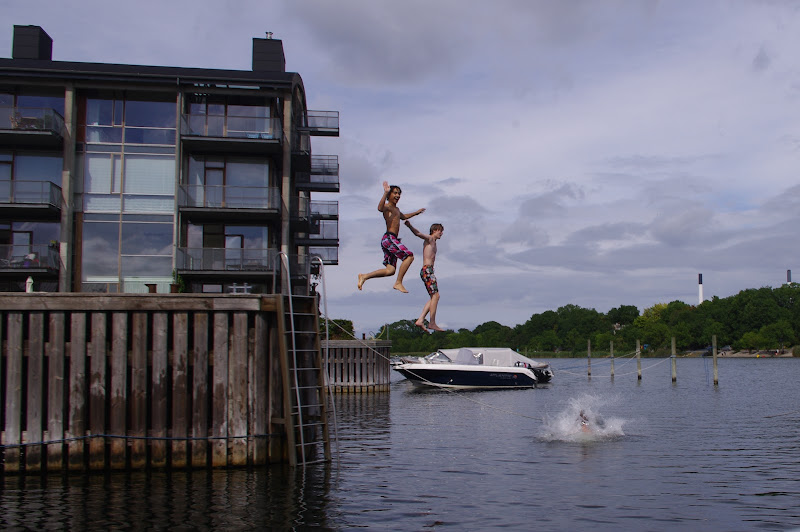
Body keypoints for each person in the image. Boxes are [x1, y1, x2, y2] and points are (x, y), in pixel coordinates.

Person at [358, 182, 425, 293]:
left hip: (391, 239)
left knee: (390, 270)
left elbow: (404, 217)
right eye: (395, 193)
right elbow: (380, 208)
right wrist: (385, 193)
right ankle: (398, 282)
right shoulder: (388, 206)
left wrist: (416, 213)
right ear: (389, 195)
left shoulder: (397, 209)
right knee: (409, 256)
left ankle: (364, 276)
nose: (397, 195)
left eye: (399, 194)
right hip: (389, 238)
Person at [404, 220, 444, 332]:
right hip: (427, 270)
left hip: (429, 271)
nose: (441, 233)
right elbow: (418, 234)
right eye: (440, 231)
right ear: (434, 230)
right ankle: (432, 322)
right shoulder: (430, 239)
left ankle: (421, 319)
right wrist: (409, 225)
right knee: (436, 296)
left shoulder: (434, 242)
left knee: (434, 297)